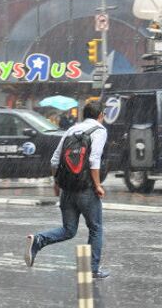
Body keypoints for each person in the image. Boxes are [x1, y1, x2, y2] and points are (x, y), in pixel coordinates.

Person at [24, 102, 110, 279]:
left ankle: (39, 240)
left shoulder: (72, 130)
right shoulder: (99, 130)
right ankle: (92, 269)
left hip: (67, 188)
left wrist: (57, 183)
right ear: (100, 115)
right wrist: (98, 185)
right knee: (96, 228)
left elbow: (55, 160)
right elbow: (94, 161)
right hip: (85, 188)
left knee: (68, 229)